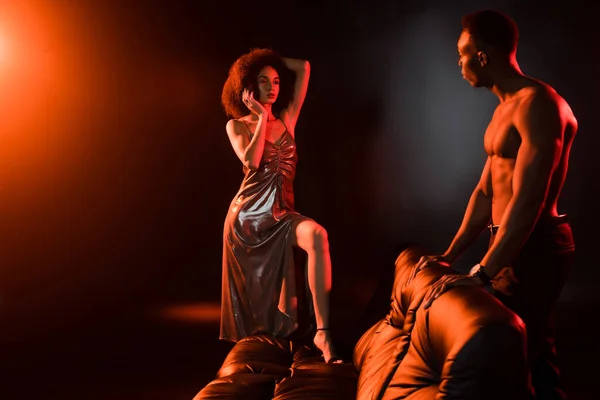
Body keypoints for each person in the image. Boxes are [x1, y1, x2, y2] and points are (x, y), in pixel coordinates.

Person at [414, 10, 577, 400]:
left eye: (462, 53)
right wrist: (451, 253)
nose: (459, 63)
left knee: (509, 360)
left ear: (482, 54)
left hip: (534, 246)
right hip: (509, 243)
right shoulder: (505, 109)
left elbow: (528, 201)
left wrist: (484, 272)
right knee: (533, 358)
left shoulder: (539, 105)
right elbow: (486, 193)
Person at [219, 48, 341, 363]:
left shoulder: (288, 118)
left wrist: (258, 60)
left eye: (275, 81)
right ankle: (261, 356)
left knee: (317, 235)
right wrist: (259, 117)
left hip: (282, 214)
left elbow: (303, 66)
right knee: (261, 310)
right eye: (263, 81)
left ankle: (324, 332)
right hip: (248, 218)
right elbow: (253, 161)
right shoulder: (237, 125)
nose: (272, 88)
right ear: (248, 88)